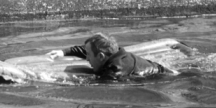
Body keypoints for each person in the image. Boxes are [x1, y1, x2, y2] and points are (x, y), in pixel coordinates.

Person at [46, 32, 177, 79]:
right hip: (162, 69)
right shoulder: (114, 52)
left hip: (164, 78)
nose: (86, 58)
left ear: (102, 57)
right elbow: (89, 50)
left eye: (89, 56)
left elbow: (99, 88)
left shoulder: (114, 71)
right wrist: (63, 52)